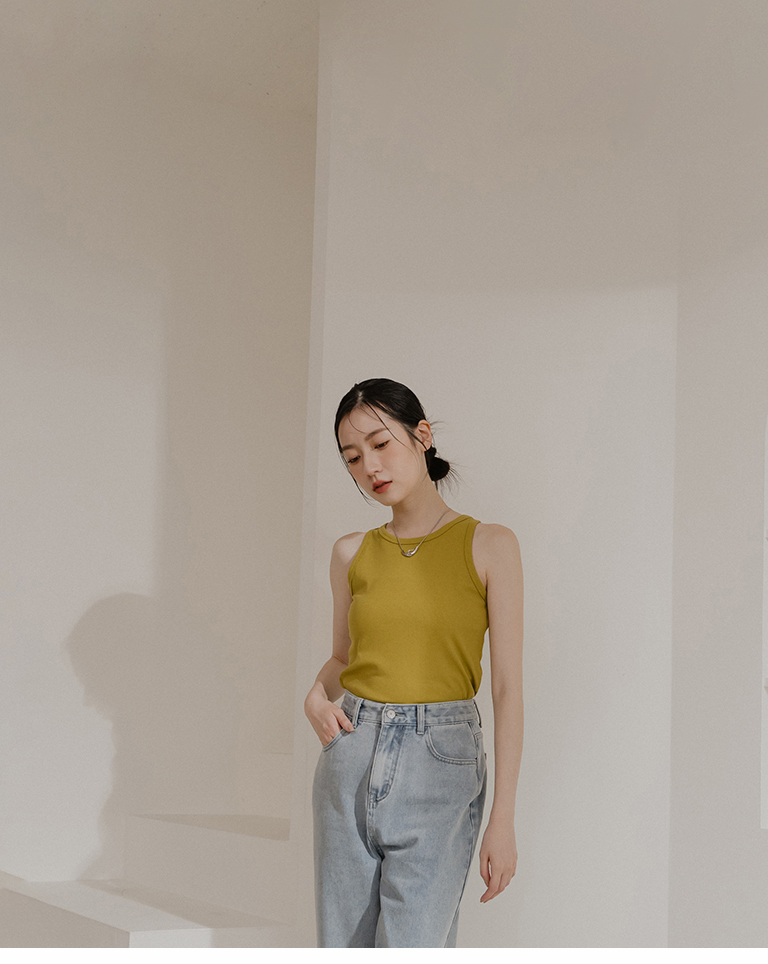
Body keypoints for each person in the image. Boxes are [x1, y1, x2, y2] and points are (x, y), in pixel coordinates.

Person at [304, 378, 523, 948]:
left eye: (380, 444)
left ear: (422, 435)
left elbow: (507, 689)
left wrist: (502, 818)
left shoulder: (490, 544)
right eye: (353, 458)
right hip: (350, 755)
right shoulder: (351, 552)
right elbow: (343, 657)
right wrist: (314, 697)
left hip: (441, 763)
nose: (370, 467)